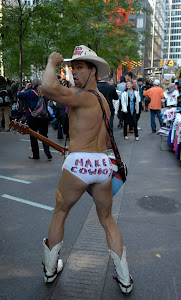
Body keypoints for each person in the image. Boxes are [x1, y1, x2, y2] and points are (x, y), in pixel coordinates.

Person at [41, 45, 133, 295]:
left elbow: (47, 88)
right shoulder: (103, 101)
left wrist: (52, 62)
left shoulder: (83, 97)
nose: (74, 71)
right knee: (107, 220)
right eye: (73, 67)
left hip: (79, 165)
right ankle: (125, 278)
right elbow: (96, 137)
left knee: (59, 213)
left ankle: (50, 270)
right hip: (102, 164)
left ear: (93, 71)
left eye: (79, 67)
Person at [17, 79, 52, 160]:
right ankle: (48, 153)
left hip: (32, 118)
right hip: (44, 118)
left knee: (33, 137)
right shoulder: (45, 93)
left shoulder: (30, 92)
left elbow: (19, 95)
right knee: (44, 136)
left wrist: (25, 88)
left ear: (32, 84)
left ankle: (36, 155)